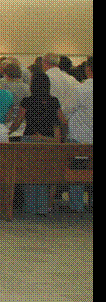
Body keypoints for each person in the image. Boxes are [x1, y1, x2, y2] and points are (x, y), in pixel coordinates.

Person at [9, 70, 62, 215]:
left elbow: (18, 121)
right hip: (48, 140)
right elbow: (60, 121)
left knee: (29, 173)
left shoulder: (27, 101)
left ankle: (30, 206)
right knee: (44, 173)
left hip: (30, 139)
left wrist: (8, 132)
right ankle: (43, 206)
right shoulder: (54, 101)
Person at [62, 57, 92, 213]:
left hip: (79, 136)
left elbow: (66, 110)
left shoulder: (80, 89)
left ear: (88, 69)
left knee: (77, 174)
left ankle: (77, 206)